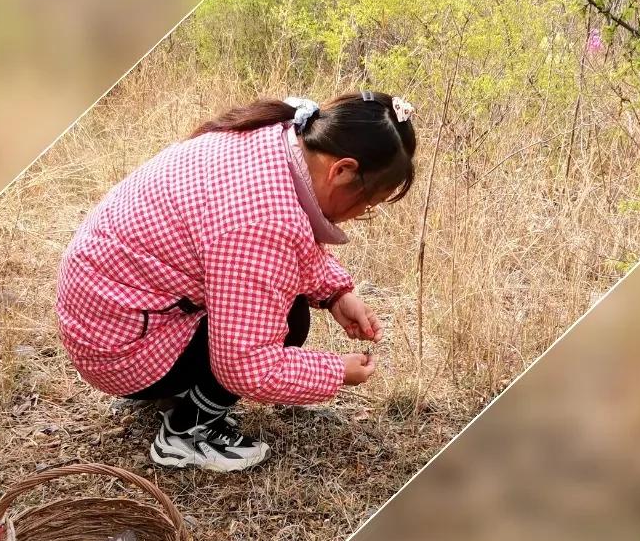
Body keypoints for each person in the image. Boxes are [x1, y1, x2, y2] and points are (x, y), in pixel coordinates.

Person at [55, 91, 416, 471]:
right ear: (341, 170)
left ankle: (177, 391)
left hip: (105, 312)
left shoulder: (278, 136)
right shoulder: (262, 221)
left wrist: (336, 293)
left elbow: (285, 248)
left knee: (278, 303)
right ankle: (184, 432)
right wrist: (336, 371)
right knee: (288, 322)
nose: (363, 213)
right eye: (369, 202)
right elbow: (246, 365)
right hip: (117, 349)